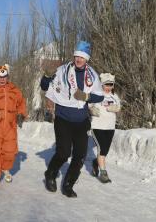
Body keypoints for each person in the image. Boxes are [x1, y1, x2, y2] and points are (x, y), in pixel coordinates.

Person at [41, 41, 104, 198]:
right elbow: (45, 86)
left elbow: (100, 95)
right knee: (63, 153)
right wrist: (46, 76)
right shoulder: (62, 71)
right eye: (76, 56)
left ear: (86, 59)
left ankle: (68, 184)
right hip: (63, 118)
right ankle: (50, 174)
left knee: (80, 155)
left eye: (82, 57)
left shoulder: (92, 75)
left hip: (81, 120)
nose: (78, 59)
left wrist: (87, 96)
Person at [89, 73, 121, 183]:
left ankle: (96, 162)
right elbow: (89, 105)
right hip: (97, 126)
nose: (108, 87)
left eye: (111, 85)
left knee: (105, 151)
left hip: (110, 127)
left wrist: (115, 108)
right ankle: (103, 173)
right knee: (102, 148)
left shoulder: (114, 96)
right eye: (106, 85)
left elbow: (118, 107)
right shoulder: (96, 95)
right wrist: (92, 110)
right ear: (102, 85)